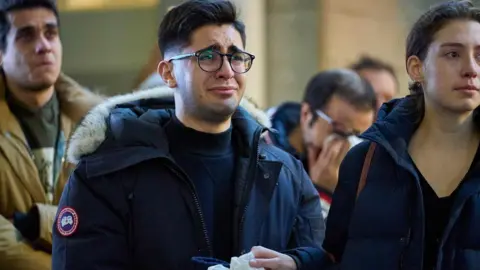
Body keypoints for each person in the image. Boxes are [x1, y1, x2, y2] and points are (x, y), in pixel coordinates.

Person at [51, 1, 325, 270]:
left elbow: (322, 257)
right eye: (208, 56)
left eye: (236, 57)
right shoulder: (107, 174)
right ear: (168, 73)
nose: (227, 71)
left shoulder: (285, 173)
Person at [249, 1, 480, 269]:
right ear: (417, 68)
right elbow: (336, 256)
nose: (471, 69)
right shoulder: (366, 160)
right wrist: (298, 263)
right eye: (453, 54)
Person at [0, 1, 103, 270]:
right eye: (26, 35)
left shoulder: (102, 123)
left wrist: (37, 222)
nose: (43, 46)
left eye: (51, 33)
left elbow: (109, 222)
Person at [265, 69, 376, 218]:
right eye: (339, 131)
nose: (348, 144)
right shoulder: (262, 151)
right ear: (306, 114)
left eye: (358, 135)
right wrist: (321, 191)